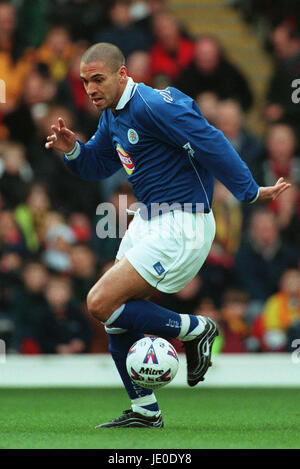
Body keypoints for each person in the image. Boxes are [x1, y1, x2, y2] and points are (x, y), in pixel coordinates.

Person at [45, 42, 291, 429]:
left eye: (98, 79)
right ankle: (145, 411)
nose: (90, 88)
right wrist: (73, 150)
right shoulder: (112, 116)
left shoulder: (155, 105)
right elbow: (97, 165)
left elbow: (211, 140)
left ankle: (196, 328)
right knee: (114, 318)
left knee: (98, 302)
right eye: (84, 81)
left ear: (122, 74)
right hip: (149, 220)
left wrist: (248, 191)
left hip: (183, 221)